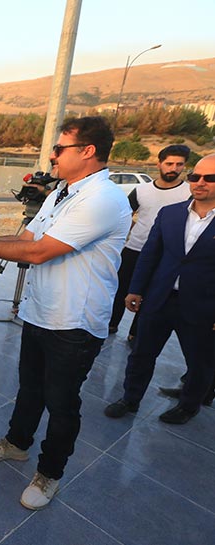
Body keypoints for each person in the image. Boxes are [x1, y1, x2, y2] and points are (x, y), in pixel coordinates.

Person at [0, 116, 131, 510]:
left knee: (62, 403)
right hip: (40, 311)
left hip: (75, 322)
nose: (53, 155)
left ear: (88, 151)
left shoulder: (103, 198)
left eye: (60, 148)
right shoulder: (61, 192)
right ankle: (17, 443)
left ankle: (50, 473)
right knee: (30, 388)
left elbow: (40, 251)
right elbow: (26, 238)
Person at [104, 153, 215, 425]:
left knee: (200, 361)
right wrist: (135, 289)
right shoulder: (170, 214)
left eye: (209, 178)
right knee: (141, 354)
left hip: (203, 305)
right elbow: (150, 254)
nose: (200, 182)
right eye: (195, 176)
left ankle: (188, 406)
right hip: (160, 299)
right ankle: (130, 398)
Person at [108, 145, 191, 345]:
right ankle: (110, 324)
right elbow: (123, 215)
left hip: (165, 254)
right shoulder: (141, 190)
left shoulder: (189, 192)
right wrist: (136, 230)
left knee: (151, 295)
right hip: (134, 249)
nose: (174, 168)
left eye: (179, 164)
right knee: (120, 289)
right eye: (169, 163)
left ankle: (136, 333)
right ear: (159, 164)